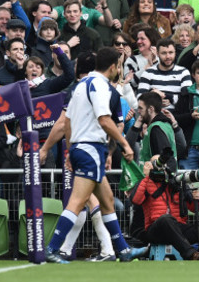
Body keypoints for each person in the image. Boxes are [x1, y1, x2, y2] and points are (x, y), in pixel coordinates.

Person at [45, 47, 147, 263]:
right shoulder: (100, 87)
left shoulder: (80, 86)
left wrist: (71, 150)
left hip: (84, 149)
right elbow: (104, 120)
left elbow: (68, 122)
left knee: (107, 200)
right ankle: (53, 249)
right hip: (91, 149)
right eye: (118, 66)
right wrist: (124, 145)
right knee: (77, 201)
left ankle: (123, 250)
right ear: (113, 67)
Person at [131, 158, 199, 260]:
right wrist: (147, 177)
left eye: (162, 164)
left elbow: (194, 208)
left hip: (178, 228)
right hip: (156, 229)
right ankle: (192, 254)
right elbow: (135, 200)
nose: (160, 167)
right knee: (165, 219)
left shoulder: (176, 182)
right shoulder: (146, 182)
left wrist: (198, 199)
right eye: (156, 164)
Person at [137, 38, 192, 112]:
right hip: (154, 116)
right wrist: (156, 101)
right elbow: (140, 99)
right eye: (164, 53)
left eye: (171, 52)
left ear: (175, 53)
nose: (168, 56)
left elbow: (187, 100)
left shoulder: (183, 72)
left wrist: (165, 95)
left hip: (177, 116)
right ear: (157, 53)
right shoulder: (148, 73)